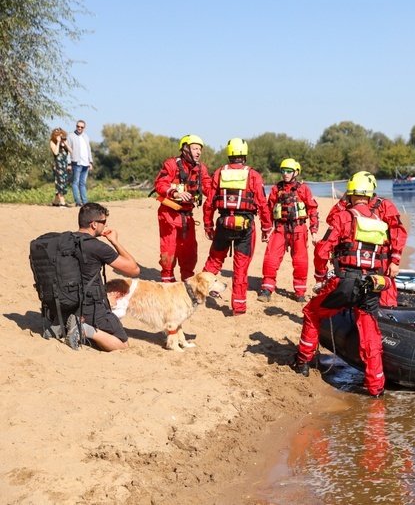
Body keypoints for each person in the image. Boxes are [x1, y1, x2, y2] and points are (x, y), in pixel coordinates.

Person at [292, 172, 396, 397]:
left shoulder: (343, 217)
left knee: (312, 312)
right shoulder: (380, 223)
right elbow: (385, 253)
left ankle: (303, 361)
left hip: (347, 280)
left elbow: (322, 250)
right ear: (370, 197)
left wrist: (320, 277)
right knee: (369, 331)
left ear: (350, 195)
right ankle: (376, 387)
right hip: (373, 283)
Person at [201, 138, 271, 316]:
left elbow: (209, 203)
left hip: (223, 225)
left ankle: (197, 293)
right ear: (244, 154)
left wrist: (208, 226)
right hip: (245, 227)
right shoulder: (253, 175)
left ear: (229, 154)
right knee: (240, 268)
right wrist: (266, 228)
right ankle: (238, 309)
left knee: (214, 261)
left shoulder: (219, 172)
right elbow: (262, 204)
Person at [62, 203, 140, 351]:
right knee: (123, 345)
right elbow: (134, 270)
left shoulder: (65, 241)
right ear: (93, 224)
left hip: (66, 302)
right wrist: (114, 241)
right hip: (89, 307)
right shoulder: (97, 246)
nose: (106, 225)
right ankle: (84, 329)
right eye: (103, 222)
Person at [326, 171, 407, 307]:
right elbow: (331, 220)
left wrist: (395, 261)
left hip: (381, 260)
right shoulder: (350, 205)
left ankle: (386, 316)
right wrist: (343, 202)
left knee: (386, 296)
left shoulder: (384, 206)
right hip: (355, 260)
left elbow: (398, 233)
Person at [153, 134, 212, 283]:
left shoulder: (201, 169)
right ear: (185, 149)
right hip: (169, 214)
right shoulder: (171, 165)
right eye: (195, 148)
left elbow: (209, 187)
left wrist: (222, 194)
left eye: (200, 149)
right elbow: (160, 184)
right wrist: (175, 192)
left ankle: (187, 282)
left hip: (187, 216)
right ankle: (168, 282)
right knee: (169, 250)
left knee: (189, 251)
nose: (198, 152)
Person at [259, 158, 319, 303]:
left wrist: (314, 230)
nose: (285, 174)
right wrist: (266, 229)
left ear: (296, 172)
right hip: (280, 228)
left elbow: (312, 209)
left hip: (299, 228)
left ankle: (299, 292)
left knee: (300, 261)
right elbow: (267, 209)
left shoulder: (303, 189)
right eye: (283, 171)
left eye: (288, 171)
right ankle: (267, 288)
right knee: (271, 258)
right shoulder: (276, 189)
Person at [68, 120, 93, 207]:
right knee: (76, 182)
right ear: (76, 126)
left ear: (84, 128)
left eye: (81, 127)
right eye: (78, 126)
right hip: (76, 162)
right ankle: (77, 201)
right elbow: (68, 150)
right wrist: (69, 163)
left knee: (83, 183)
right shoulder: (71, 136)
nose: (79, 128)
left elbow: (88, 149)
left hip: (85, 163)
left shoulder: (86, 136)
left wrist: (90, 161)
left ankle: (85, 202)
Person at [49, 128, 73, 207]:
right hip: (57, 166)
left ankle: (55, 202)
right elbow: (55, 152)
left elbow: (71, 151)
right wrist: (58, 142)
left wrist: (65, 144)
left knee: (64, 183)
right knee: (60, 183)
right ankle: (62, 203)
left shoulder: (64, 143)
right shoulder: (52, 142)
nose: (61, 137)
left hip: (64, 165)